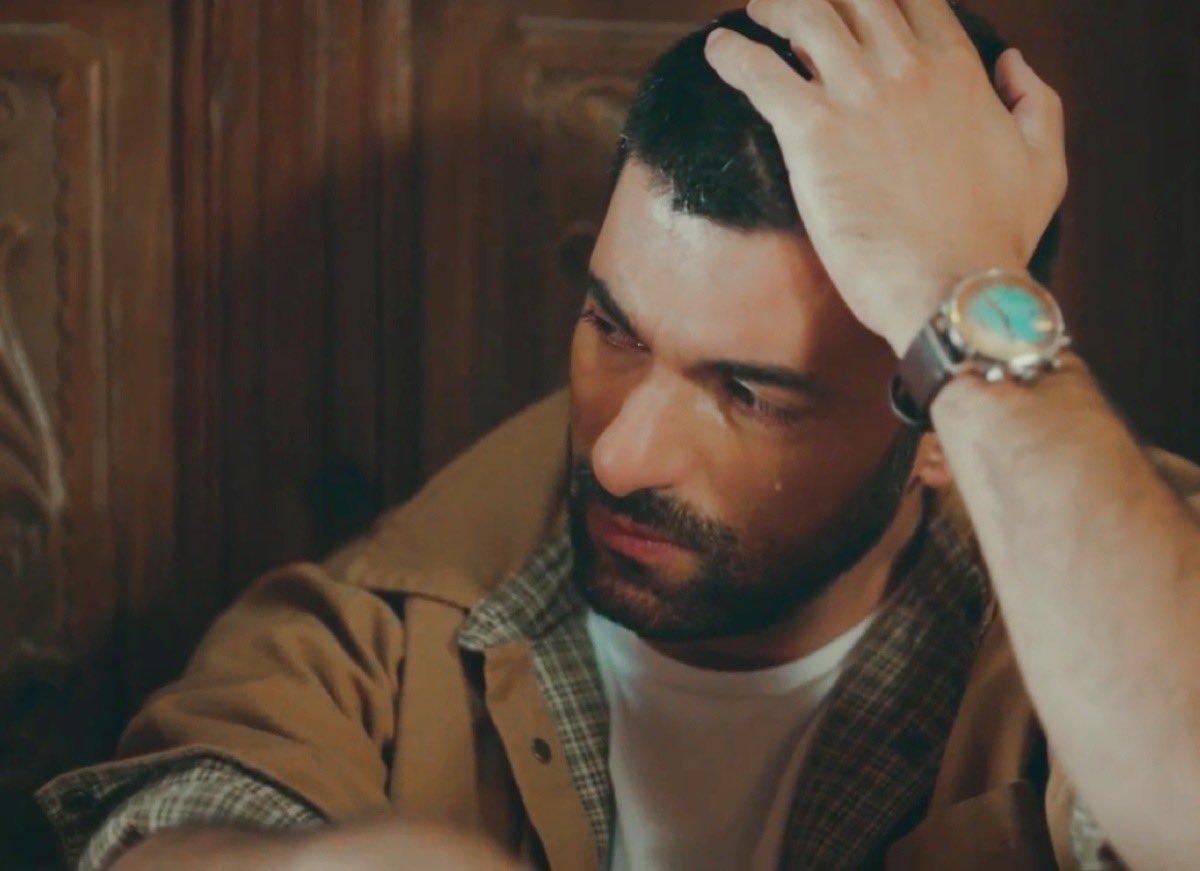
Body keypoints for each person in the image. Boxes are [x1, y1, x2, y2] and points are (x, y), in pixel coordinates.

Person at [36, 2, 1200, 869]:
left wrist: (963, 297)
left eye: (752, 395)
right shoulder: (384, 627)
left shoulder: (1131, 580)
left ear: (942, 420)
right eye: (613, 328)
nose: (617, 456)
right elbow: (182, 817)